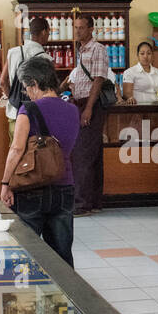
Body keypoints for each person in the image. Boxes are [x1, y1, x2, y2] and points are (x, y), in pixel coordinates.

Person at [0, 56, 80, 265]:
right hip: (64, 187)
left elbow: (16, 149)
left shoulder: (28, 110)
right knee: (62, 254)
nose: (27, 93)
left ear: (34, 83)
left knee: (27, 252)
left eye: (27, 87)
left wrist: (5, 183)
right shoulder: (73, 110)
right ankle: (66, 295)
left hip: (31, 187)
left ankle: (30, 295)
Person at [67, 13, 109, 216]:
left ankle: (82, 204)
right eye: (75, 27)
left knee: (82, 155)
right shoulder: (80, 50)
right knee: (91, 154)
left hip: (90, 104)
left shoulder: (97, 49)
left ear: (91, 29)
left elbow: (98, 80)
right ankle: (93, 202)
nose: (77, 31)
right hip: (79, 103)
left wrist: (89, 108)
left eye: (81, 28)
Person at [0, 16, 49, 138]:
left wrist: (12, 97)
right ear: (44, 32)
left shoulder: (13, 52)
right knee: (34, 153)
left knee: (15, 151)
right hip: (37, 115)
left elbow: (2, 81)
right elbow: (48, 89)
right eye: (48, 32)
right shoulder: (46, 59)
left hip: (14, 113)